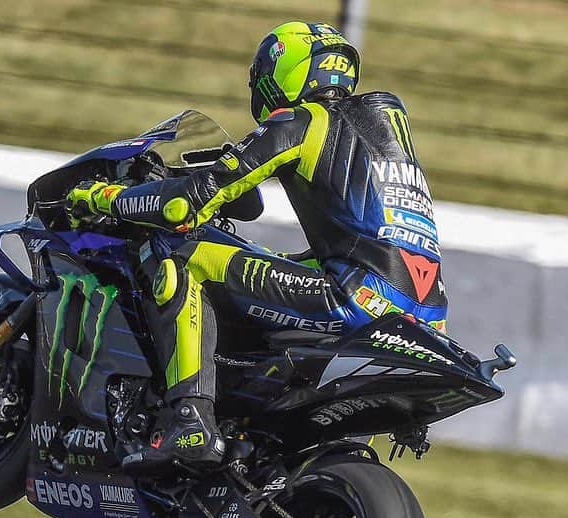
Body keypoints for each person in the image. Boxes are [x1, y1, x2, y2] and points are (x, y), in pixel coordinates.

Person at [67, 21, 448, 468]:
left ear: (287, 70)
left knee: (182, 256)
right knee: (268, 263)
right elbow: (368, 243)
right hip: (427, 319)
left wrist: (101, 197)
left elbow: (184, 205)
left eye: (263, 73)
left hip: (356, 298)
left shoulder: (304, 122)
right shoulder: (386, 136)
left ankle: (189, 418)